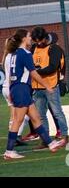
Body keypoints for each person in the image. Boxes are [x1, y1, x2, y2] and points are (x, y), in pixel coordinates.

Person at [3, 29, 65, 159]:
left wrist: (10, 91)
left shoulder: (13, 54)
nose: (30, 38)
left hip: (18, 89)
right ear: (24, 39)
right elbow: (34, 73)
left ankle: (51, 143)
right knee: (17, 120)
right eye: (29, 36)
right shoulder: (25, 53)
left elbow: (10, 75)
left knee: (36, 118)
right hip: (21, 89)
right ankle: (9, 150)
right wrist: (47, 86)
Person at [31, 27, 69, 149]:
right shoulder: (34, 48)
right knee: (40, 115)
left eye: (40, 40)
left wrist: (37, 72)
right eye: (35, 41)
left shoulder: (54, 48)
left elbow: (53, 67)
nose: (38, 43)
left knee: (57, 112)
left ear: (45, 37)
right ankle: (45, 139)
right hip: (37, 88)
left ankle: (64, 136)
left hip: (50, 86)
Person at [1, 38, 28, 147]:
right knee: (22, 115)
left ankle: (14, 136)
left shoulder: (6, 56)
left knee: (15, 115)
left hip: (6, 88)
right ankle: (15, 137)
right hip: (13, 87)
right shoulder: (14, 56)